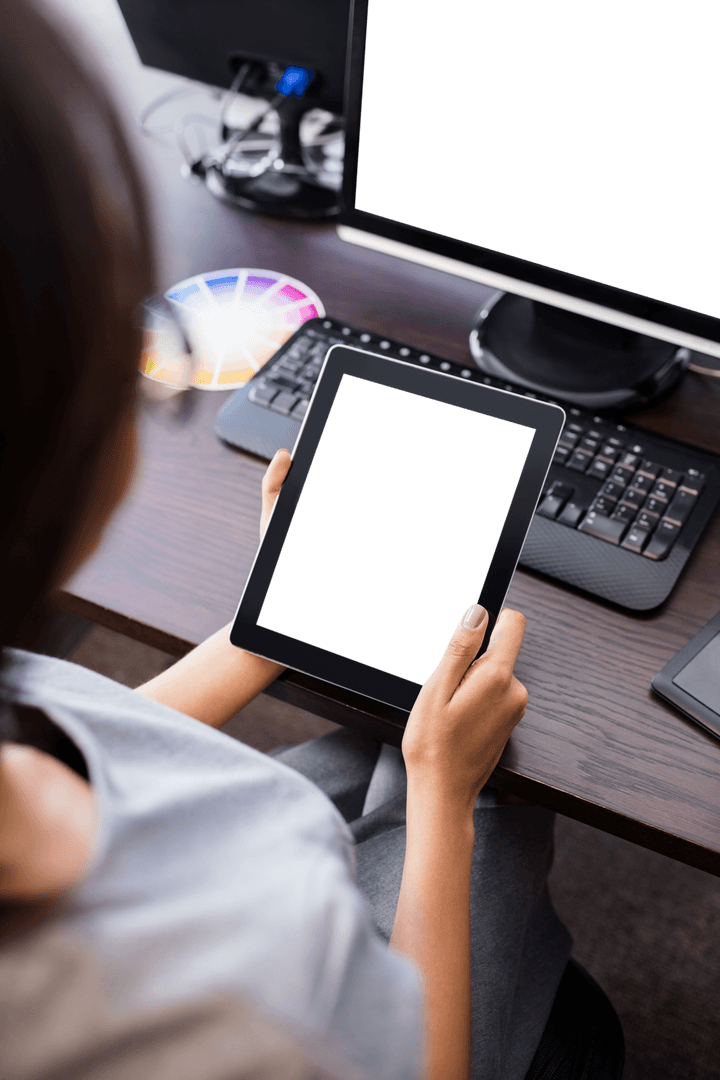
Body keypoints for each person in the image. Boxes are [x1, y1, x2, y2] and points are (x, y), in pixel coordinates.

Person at [0, 2, 572, 1078]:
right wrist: (444, 801)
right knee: (472, 787)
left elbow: (81, 725)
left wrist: (259, 628)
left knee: (375, 750)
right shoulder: (244, 981)